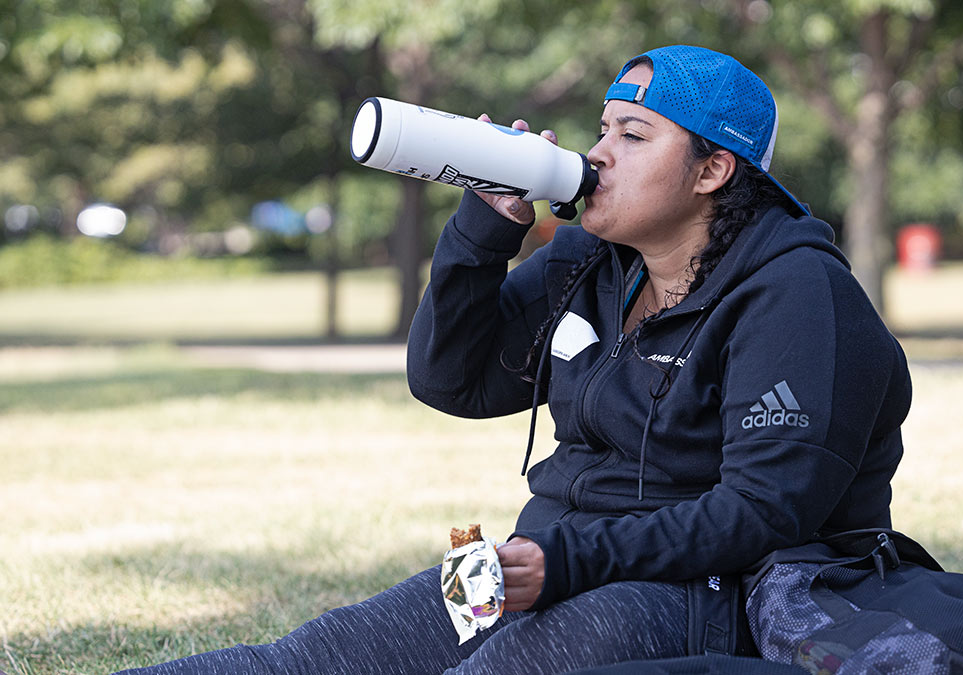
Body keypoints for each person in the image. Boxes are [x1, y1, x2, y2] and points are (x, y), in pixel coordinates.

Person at [116, 44, 911, 674]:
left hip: (701, 592)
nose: (599, 154)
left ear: (712, 170)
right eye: (602, 128)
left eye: (633, 136)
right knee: (313, 655)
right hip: (542, 562)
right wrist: (483, 229)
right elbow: (449, 378)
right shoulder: (592, 264)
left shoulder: (799, 293)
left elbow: (765, 511)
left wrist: (563, 560)